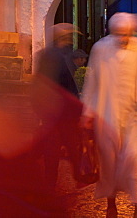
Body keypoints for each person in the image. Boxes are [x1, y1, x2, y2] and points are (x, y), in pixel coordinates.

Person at [82, 13, 137, 218]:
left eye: (126, 34)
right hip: (106, 116)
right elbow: (92, 83)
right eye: (119, 34)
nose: (123, 38)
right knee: (108, 165)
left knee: (133, 161)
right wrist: (87, 112)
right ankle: (111, 204)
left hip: (134, 118)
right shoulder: (100, 49)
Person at [33, 22, 85, 189]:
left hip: (51, 110)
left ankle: (51, 181)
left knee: (54, 149)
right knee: (69, 146)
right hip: (61, 111)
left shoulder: (46, 55)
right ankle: (77, 176)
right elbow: (67, 85)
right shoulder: (61, 57)